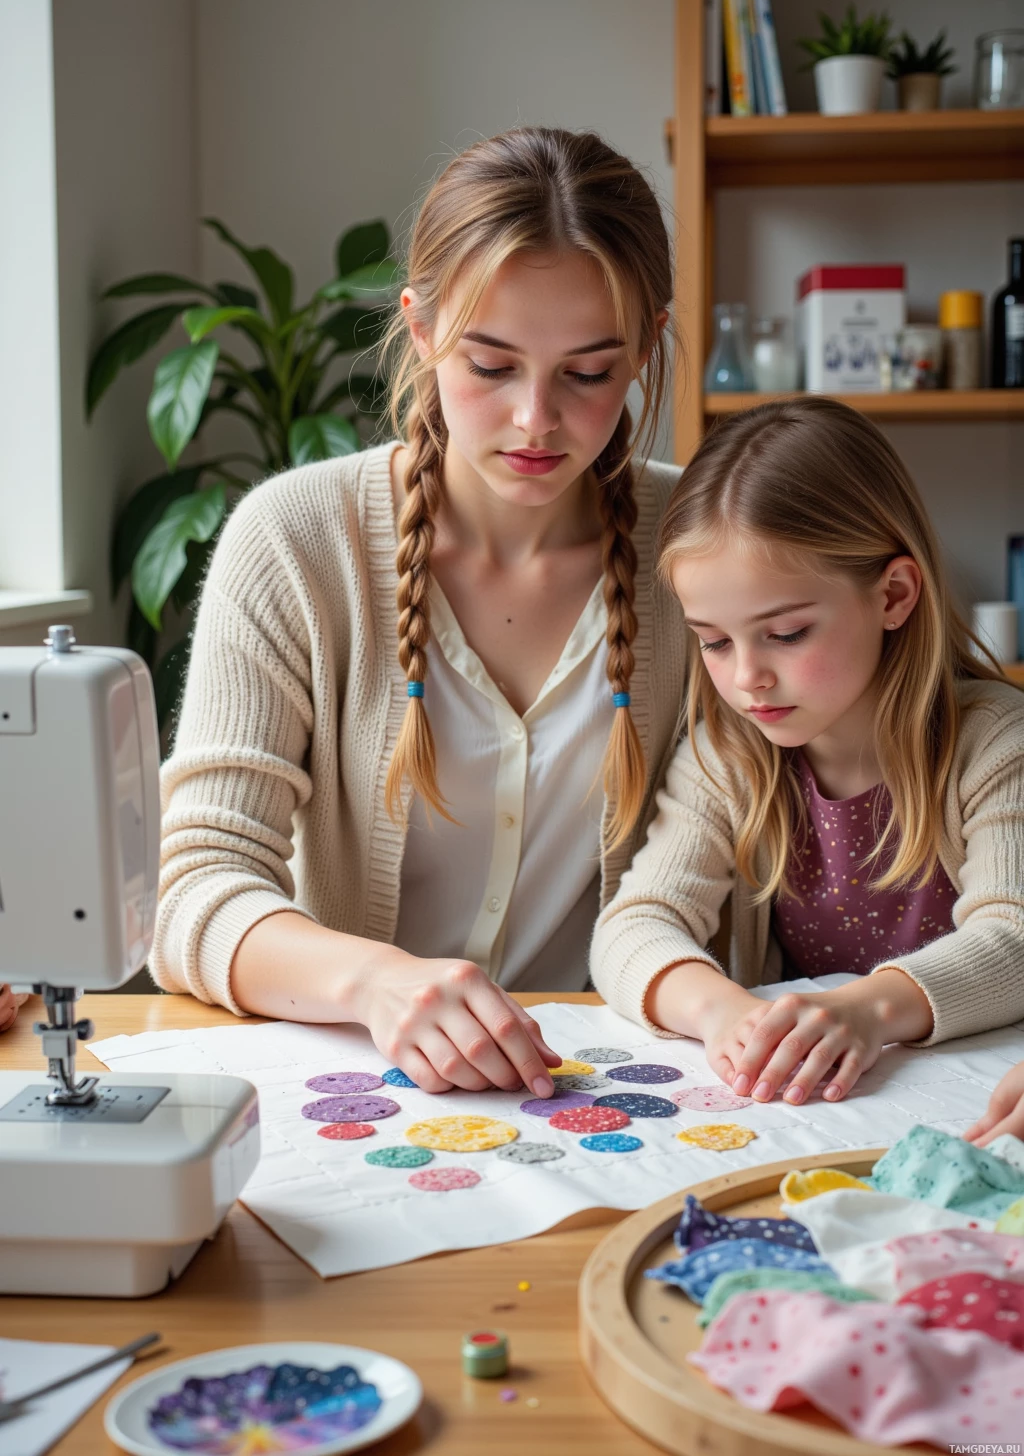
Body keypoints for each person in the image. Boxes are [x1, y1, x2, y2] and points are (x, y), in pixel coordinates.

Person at [150, 127, 690, 1096]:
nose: (536, 419)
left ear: (648, 345)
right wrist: (377, 984)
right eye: (490, 365)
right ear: (422, 328)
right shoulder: (293, 542)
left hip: (624, 1099)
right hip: (363, 1090)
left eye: (589, 371)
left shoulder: (705, 546)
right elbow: (194, 890)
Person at [591, 398, 1024, 1107]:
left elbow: (1014, 939)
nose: (745, 677)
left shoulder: (997, 742)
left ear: (893, 594)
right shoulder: (728, 756)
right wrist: (720, 1012)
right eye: (714, 640)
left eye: (786, 633)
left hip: (973, 1097)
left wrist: (866, 1010)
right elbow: (635, 923)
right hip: (820, 1111)